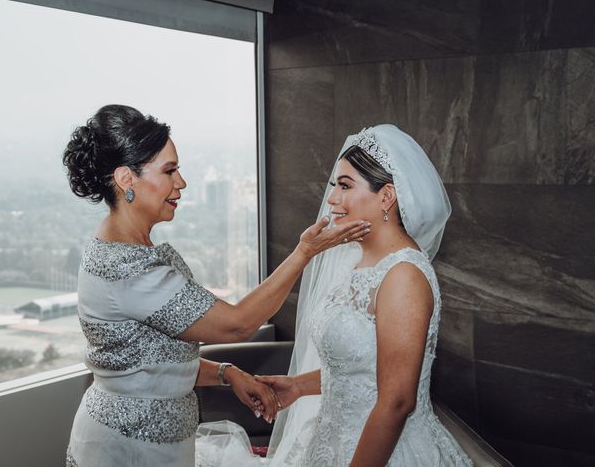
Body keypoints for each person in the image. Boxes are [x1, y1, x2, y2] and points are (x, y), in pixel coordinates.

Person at [62, 104, 370, 467]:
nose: (181, 182)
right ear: (127, 178)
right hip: (128, 448)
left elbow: (154, 360)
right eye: (170, 170)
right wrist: (305, 252)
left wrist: (228, 373)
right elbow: (237, 323)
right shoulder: (127, 268)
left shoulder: (136, 251)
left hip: (160, 442)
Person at [197, 124, 473, 466]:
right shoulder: (359, 263)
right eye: (334, 186)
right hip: (332, 444)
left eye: (345, 186)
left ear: (386, 196)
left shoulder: (403, 275)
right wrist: (299, 386)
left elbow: (397, 401)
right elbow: (362, 370)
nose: (332, 199)